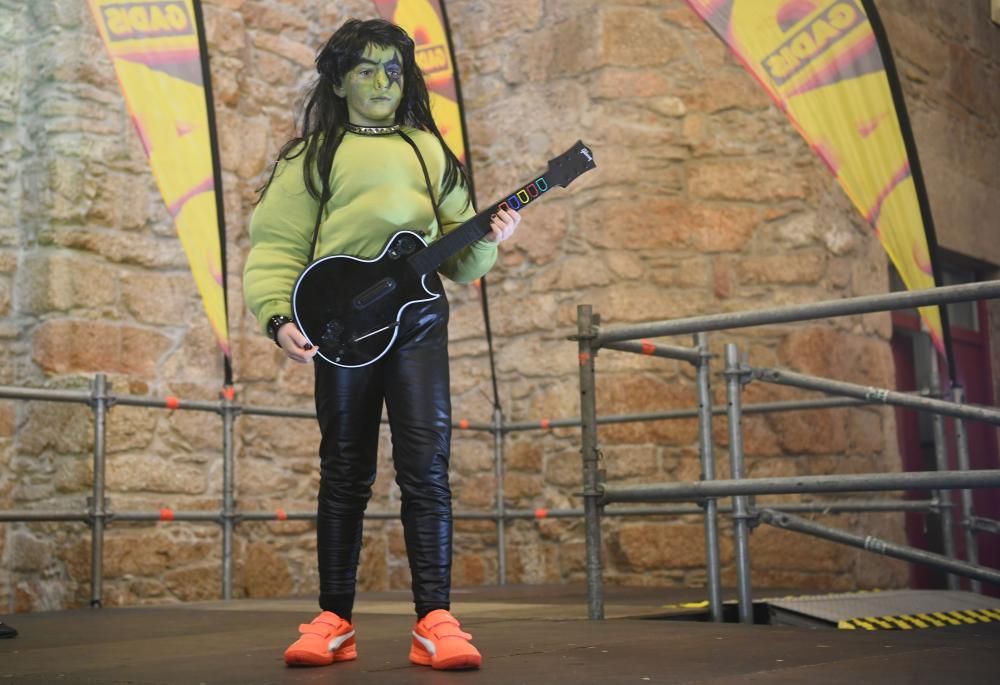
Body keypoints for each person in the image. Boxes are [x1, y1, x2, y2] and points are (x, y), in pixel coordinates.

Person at [243, 18, 520, 671]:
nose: (381, 81)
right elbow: (278, 246)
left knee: (427, 467)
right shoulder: (312, 154)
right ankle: (334, 617)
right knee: (344, 468)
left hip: (419, 322)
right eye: (366, 68)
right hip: (342, 328)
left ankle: (435, 618)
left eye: (393, 70)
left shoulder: (428, 151)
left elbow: (464, 259)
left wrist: (491, 235)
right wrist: (279, 315)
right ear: (337, 79)